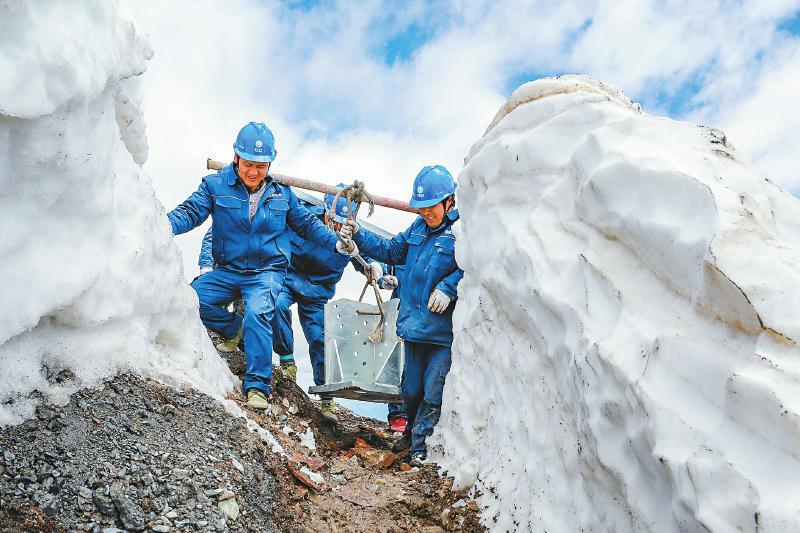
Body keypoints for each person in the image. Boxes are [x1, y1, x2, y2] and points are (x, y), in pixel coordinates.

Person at [167, 121, 339, 410]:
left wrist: (335, 242)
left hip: (266, 272)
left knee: (260, 313)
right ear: (236, 158)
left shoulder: (282, 195)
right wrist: (162, 224)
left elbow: (308, 225)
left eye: (261, 166)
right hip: (229, 270)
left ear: (269, 164)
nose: (253, 172)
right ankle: (235, 328)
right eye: (248, 163)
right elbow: (191, 212)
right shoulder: (215, 185)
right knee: (192, 298)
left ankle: (257, 386)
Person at [338, 165, 462, 465]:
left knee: (434, 390)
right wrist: (360, 237)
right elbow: (391, 250)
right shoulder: (417, 230)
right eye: (421, 208)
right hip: (414, 327)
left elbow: (475, 266)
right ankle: (410, 438)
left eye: (431, 207)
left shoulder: (462, 232)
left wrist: (449, 287)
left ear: (449, 202)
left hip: (442, 333)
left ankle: (420, 450)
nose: (426, 214)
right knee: (411, 390)